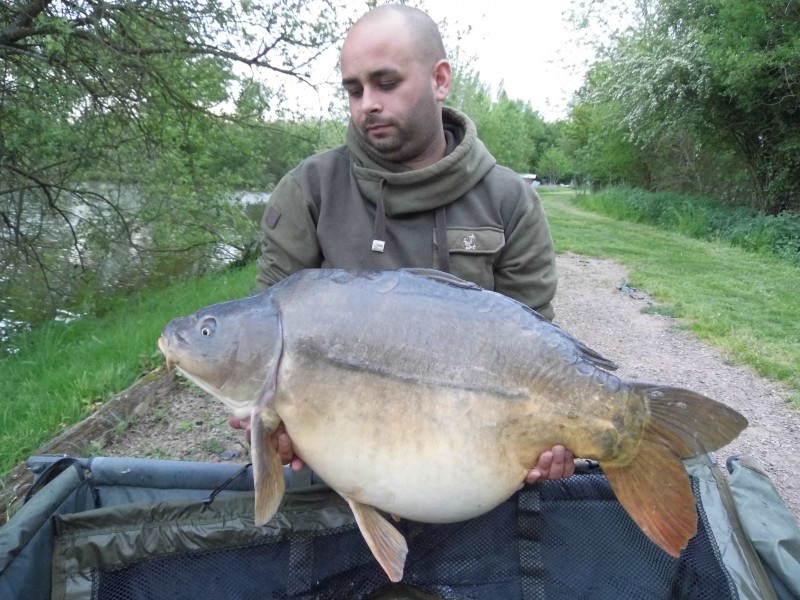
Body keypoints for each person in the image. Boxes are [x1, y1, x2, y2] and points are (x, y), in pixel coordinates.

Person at [230, 4, 575, 484]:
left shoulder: (509, 200)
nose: (367, 104)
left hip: (468, 458)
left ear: (439, 80)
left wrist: (551, 438)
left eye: (386, 83)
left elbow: (536, 351)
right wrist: (272, 429)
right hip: (340, 459)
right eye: (354, 90)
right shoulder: (309, 192)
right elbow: (266, 340)